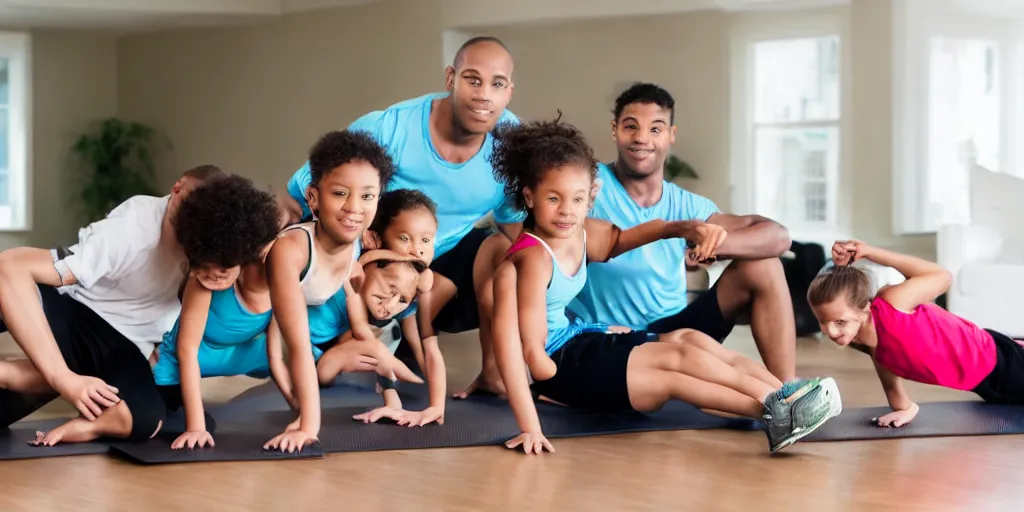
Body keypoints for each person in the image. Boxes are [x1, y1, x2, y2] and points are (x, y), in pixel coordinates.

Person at [489, 117, 842, 455]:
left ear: (589, 198)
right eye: (554, 199)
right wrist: (531, 425)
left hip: (581, 342)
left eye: (577, 199)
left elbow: (620, 240)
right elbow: (521, 352)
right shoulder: (531, 259)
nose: (567, 211)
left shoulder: (580, 233)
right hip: (562, 367)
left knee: (691, 339)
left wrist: (680, 229)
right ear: (530, 197)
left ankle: (786, 394)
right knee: (677, 364)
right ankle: (776, 411)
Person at [280, 37, 525, 403]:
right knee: (330, 368)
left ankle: (494, 372)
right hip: (373, 258)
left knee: (505, 250)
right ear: (450, 79)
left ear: (509, 91)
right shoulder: (389, 128)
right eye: (473, 80)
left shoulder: (511, 143)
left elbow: (514, 223)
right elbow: (299, 195)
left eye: (497, 84)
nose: (484, 95)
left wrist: (547, 293)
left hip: (437, 258)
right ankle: (369, 339)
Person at [566, 82, 798, 383]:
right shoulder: (589, 185)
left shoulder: (688, 205)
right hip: (608, 336)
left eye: (655, 129)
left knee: (764, 264)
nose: (641, 139)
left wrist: (711, 244)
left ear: (670, 135)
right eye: (630, 126)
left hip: (676, 330)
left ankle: (788, 394)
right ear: (615, 130)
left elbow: (779, 237)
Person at [0, 164, 227, 446]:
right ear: (177, 189)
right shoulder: (134, 224)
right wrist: (63, 379)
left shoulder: (209, 248)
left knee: (148, 418)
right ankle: (23, 374)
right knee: (6, 283)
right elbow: (10, 266)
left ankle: (34, 389)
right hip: (76, 310)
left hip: (124, 347)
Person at [263, 130, 420, 453]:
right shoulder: (291, 250)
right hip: (233, 343)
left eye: (367, 196)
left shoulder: (359, 240)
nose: (354, 208)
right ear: (313, 198)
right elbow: (290, 343)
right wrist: (308, 422)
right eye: (339, 193)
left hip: (293, 344)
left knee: (377, 327)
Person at [807, 240, 1024, 427]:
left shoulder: (893, 303)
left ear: (864, 307)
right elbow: (888, 376)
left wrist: (871, 252)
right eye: (822, 322)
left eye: (840, 321)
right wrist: (904, 408)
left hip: (1003, 362)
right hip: (985, 384)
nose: (831, 331)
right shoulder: (865, 340)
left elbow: (942, 277)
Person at [150, 174, 282, 450]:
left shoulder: (271, 270)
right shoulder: (200, 285)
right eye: (208, 264)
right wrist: (196, 426)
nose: (216, 274)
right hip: (169, 372)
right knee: (152, 422)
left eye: (226, 264)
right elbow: (186, 351)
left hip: (231, 359)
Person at [350, 190, 449, 427]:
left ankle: (399, 392)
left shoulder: (419, 283)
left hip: (376, 335)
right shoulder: (358, 260)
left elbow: (429, 347)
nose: (418, 250)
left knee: (411, 340)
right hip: (328, 340)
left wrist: (436, 407)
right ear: (375, 238)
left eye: (426, 240)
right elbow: (361, 263)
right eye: (405, 238)